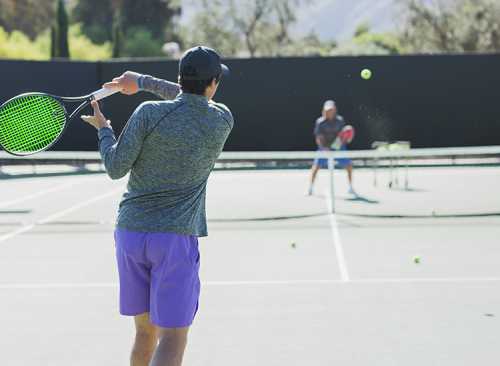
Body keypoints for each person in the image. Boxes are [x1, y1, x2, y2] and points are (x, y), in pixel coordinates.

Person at [81, 46, 233, 366]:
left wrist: (104, 131)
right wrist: (143, 81)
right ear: (214, 82)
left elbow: (115, 168)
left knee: (145, 333)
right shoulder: (221, 120)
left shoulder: (148, 112)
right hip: (174, 240)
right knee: (173, 337)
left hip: (130, 236)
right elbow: (190, 97)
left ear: (180, 76)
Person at [307, 100, 355, 196]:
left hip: (338, 147)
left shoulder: (340, 120)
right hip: (324, 147)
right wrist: (325, 149)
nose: (330, 112)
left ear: (335, 110)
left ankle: (350, 188)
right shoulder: (320, 122)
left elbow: (342, 135)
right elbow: (318, 138)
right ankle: (310, 188)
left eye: (331, 110)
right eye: (328, 110)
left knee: (349, 166)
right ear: (324, 111)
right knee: (315, 167)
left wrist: (338, 145)